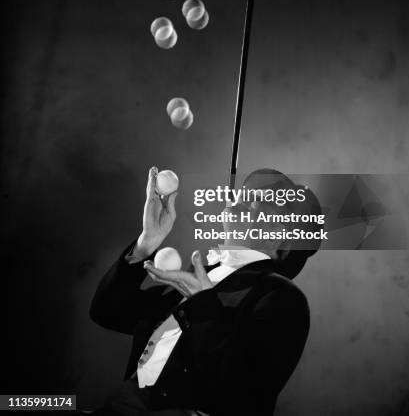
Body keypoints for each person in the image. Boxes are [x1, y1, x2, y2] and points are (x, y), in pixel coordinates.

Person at [89, 167, 322, 416]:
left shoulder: (282, 297)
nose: (246, 196)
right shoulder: (202, 279)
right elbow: (107, 312)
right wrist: (146, 243)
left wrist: (203, 306)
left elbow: (247, 395)